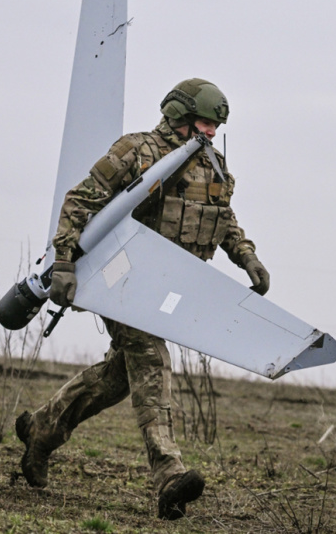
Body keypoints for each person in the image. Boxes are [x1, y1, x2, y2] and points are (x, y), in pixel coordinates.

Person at [15, 78, 269, 520]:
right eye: (205, 123)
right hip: (123, 283)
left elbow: (223, 219)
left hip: (167, 289)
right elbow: (79, 202)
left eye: (215, 126)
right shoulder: (137, 151)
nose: (210, 132)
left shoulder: (213, 166)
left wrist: (247, 257)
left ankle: (42, 429)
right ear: (180, 115)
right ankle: (169, 475)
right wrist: (62, 263)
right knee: (151, 360)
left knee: (118, 377)